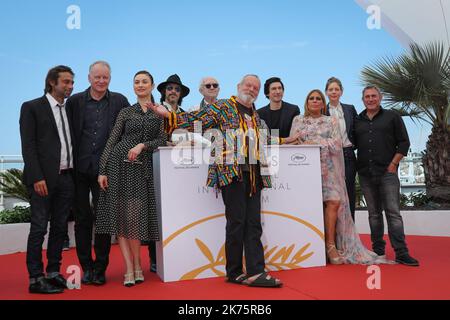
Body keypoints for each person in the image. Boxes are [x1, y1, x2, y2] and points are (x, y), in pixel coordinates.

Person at [148, 74, 300, 287]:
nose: (252, 89)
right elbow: (196, 120)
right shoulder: (223, 106)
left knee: (253, 223)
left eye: (256, 87)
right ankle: (246, 271)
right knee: (237, 222)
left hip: (254, 173)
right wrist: (169, 116)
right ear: (239, 86)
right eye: (249, 85)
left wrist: (286, 140)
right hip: (231, 172)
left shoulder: (255, 114)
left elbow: (262, 138)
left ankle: (239, 272)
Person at [290, 89, 386, 265]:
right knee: (307, 204)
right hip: (304, 171)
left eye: (318, 98)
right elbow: (293, 142)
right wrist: (304, 144)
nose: (315, 101)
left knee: (334, 201)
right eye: (311, 98)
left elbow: (336, 143)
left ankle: (331, 245)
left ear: (322, 102)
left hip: (329, 170)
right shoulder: (298, 120)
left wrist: (312, 143)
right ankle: (312, 245)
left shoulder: (331, 120)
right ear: (307, 101)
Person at [95, 70, 167, 286]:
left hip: (141, 169)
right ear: (133, 86)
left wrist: (143, 145)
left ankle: (138, 263)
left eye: (145, 82)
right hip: (119, 166)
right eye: (137, 82)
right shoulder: (126, 112)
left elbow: (163, 138)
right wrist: (102, 170)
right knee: (121, 219)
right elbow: (112, 140)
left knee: (134, 219)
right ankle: (130, 267)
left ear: (152, 86)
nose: (140, 85)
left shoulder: (160, 112)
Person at [66, 61, 130, 285]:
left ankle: (101, 268)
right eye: (97, 77)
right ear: (89, 78)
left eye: (105, 77)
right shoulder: (74, 102)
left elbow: (128, 132)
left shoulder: (120, 101)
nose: (101, 81)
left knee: (103, 221)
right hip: (79, 169)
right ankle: (86, 267)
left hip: (106, 171)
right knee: (82, 220)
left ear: (110, 78)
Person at [20, 65, 75, 293]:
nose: (70, 86)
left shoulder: (69, 109)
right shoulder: (32, 107)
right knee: (39, 228)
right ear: (52, 82)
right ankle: (35, 278)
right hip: (42, 179)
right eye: (66, 82)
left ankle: (53, 272)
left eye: (72, 82)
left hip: (67, 177)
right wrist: (37, 177)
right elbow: (28, 146)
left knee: (60, 228)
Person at [355, 86, 419, 266]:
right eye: (367, 96)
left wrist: (393, 164)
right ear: (363, 100)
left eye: (373, 96)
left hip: (387, 173)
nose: (370, 99)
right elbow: (350, 144)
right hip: (366, 174)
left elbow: (404, 143)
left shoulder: (392, 117)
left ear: (380, 97)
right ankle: (378, 251)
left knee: (393, 214)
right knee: (373, 214)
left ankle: (401, 252)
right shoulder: (357, 120)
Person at [324, 77, 358, 221]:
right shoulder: (321, 109)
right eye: (331, 89)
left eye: (336, 89)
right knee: (331, 195)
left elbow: (357, 129)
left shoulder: (349, 109)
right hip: (328, 157)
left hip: (348, 154)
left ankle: (350, 233)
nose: (334, 92)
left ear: (341, 92)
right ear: (326, 92)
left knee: (349, 193)